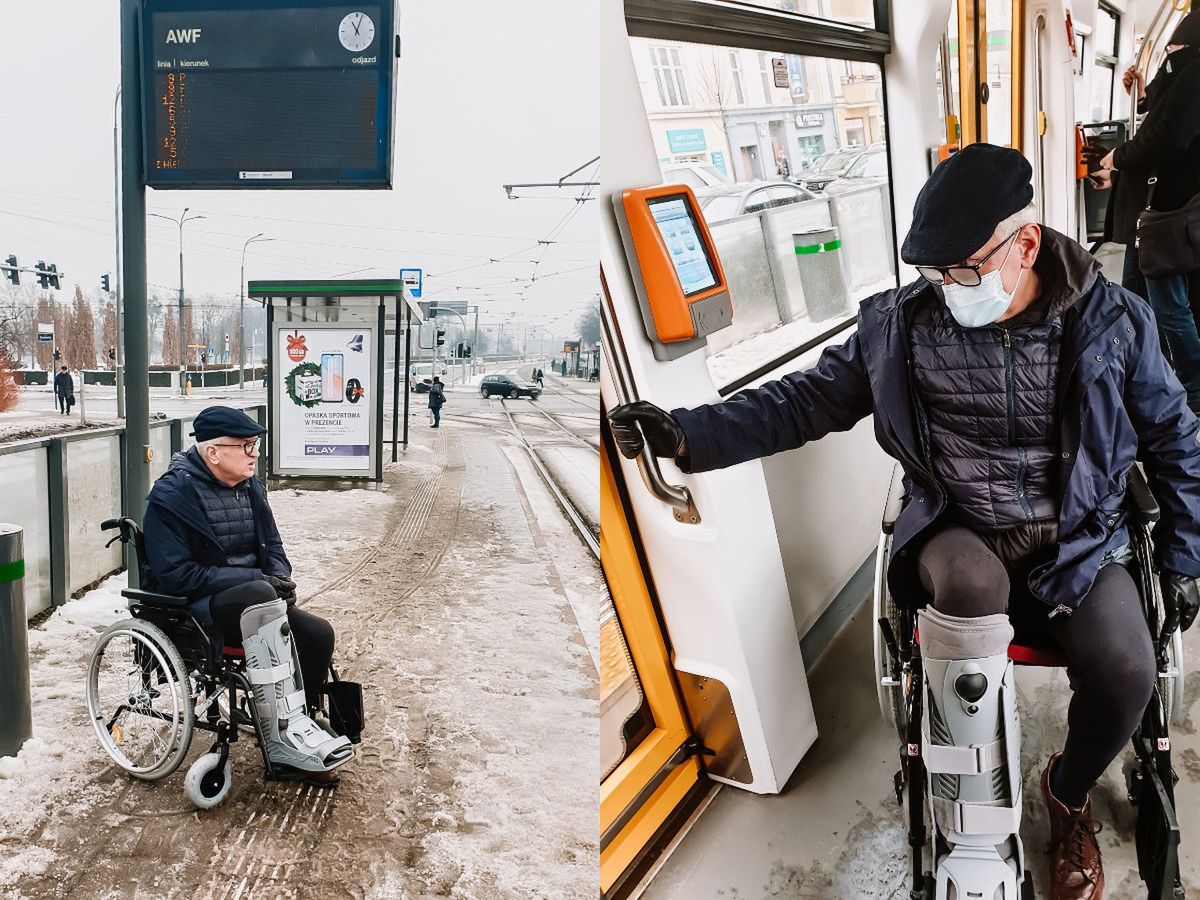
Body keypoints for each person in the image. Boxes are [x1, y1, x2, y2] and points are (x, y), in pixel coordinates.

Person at [609, 144, 1200, 900]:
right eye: (932, 273)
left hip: (1077, 539)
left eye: (961, 270)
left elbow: (1175, 439)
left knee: (1127, 672)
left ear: (1025, 245)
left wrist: (1184, 557)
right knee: (965, 585)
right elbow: (804, 400)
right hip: (962, 525)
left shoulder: (1114, 319)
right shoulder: (906, 326)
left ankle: (1067, 791)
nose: (946, 289)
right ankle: (977, 813)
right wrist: (688, 434)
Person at [141, 406, 353, 784]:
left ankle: (296, 728)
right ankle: (282, 738)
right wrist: (257, 578)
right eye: (247, 445)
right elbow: (176, 575)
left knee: (318, 634)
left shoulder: (251, 486)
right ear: (214, 452)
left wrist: (277, 577)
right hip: (198, 608)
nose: (255, 453)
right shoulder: (171, 495)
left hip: (258, 603)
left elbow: (273, 546)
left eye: (255, 444)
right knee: (258, 592)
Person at [1096, 11, 1200, 410]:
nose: (1167, 57)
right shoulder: (1183, 73)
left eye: (1172, 49)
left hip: (1167, 209)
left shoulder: (1192, 72)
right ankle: (1143, 373)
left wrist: (1118, 157)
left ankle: (1192, 384)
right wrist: (1140, 93)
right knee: (1137, 297)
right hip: (1156, 212)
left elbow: (1166, 134)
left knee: (1167, 303)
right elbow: (1162, 110)